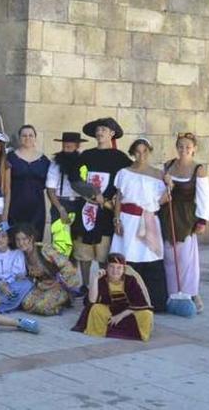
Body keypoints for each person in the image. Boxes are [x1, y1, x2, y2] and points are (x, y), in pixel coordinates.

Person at [111, 139, 169, 312]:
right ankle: (126, 299)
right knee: (128, 258)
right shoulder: (124, 173)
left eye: (145, 151)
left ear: (149, 152)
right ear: (132, 153)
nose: (141, 155)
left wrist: (169, 186)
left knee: (150, 258)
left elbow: (163, 200)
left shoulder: (159, 174)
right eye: (137, 151)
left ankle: (155, 301)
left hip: (149, 221)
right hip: (128, 220)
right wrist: (116, 220)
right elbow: (119, 198)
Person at [74, 117, 131, 289]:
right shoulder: (86, 155)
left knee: (103, 254)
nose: (99, 133)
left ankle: (103, 288)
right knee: (83, 252)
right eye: (98, 130)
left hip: (107, 212)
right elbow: (75, 178)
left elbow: (129, 180)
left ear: (112, 134)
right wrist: (91, 193)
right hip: (85, 208)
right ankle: (84, 286)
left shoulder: (121, 159)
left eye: (104, 130)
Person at [160, 132, 209, 313]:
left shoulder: (199, 169)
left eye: (188, 147)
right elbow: (160, 191)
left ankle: (190, 293)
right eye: (181, 146)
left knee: (186, 257)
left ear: (194, 149)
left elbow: (204, 197)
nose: (184, 149)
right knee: (168, 255)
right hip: (167, 213)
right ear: (176, 147)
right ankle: (172, 293)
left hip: (186, 216)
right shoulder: (168, 166)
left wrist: (202, 220)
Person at [72, 253, 153, 341]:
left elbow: (139, 302)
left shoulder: (130, 280)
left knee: (147, 314)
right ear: (107, 267)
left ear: (123, 269)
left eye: (119, 268)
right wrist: (95, 279)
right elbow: (92, 300)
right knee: (95, 309)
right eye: (112, 267)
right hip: (108, 310)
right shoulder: (102, 279)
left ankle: (137, 334)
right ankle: (103, 331)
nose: (115, 271)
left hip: (127, 311)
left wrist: (119, 316)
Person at [15, 224, 81, 316]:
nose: (21, 243)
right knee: (26, 304)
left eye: (24, 239)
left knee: (42, 307)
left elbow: (68, 266)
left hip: (60, 285)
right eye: (18, 239)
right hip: (42, 286)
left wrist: (59, 283)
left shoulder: (44, 250)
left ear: (31, 238)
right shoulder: (21, 255)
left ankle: (63, 303)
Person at [7, 125, 50, 240]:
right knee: (15, 238)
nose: (27, 138)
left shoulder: (44, 160)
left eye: (31, 135)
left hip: (37, 207)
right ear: (19, 138)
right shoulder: (10, 157)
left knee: (34, 239)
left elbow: (50, 185)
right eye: (24, 135)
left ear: (35, 138)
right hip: (14, 205)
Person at [45, 132, 89, 226]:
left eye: (69, 147)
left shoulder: (83, 162)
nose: (65, 150)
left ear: (77, 146)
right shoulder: (56, 163)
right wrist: (60, 208)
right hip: (61, 202)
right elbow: (50, 190)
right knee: (60, 238)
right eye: (64, 146)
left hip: (80, 203)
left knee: (78, 238)